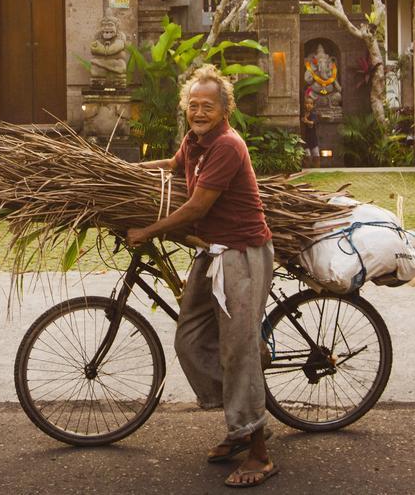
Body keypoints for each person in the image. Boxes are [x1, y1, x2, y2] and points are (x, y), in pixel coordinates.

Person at [128, 64, 277, 488]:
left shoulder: (228, 146)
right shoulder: (194, 142)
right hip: (211, 252)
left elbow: (196, 208)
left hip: (241, 254)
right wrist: (128, 172)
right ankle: (239, 424)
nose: (198, 112)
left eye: (207, 106)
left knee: (237, 352)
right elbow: (173, 166)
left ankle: (260, 453)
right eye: (192, 105)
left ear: (225, 109)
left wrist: (147, 231)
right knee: (190, 338)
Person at [301, 96, 321, 168]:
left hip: (313, 139)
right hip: (304, 139)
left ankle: (317, 172)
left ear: (313, 105)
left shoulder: (314, 115)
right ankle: (306, 171)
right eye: (307, 103)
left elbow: (312, 123)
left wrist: (306, 121)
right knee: (307, 157)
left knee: (316, 156)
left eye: (311, 103)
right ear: (304, 104)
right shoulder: (301, 114)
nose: (309, 105)